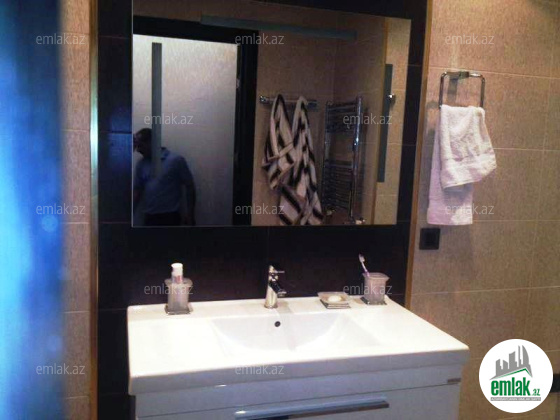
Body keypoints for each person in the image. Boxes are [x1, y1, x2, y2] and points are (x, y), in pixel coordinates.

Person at [133, 128, 196, 226]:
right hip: (149, 217)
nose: (138, 150)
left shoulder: (175, 160)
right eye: (137, 146)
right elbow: (137, 190)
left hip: (170, 217)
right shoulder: (141, 164)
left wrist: (190, 214)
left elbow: (190, 186)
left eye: (140, 146)